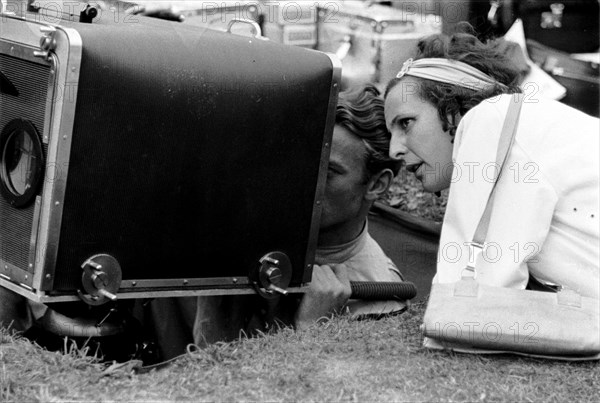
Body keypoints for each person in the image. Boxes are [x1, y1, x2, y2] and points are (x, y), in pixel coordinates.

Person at [383, 30, 599, 298]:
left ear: (454, 104)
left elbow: (474, 302)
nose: (395, 150)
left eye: (406, 123)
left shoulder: (490, 118)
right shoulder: (533, 125)